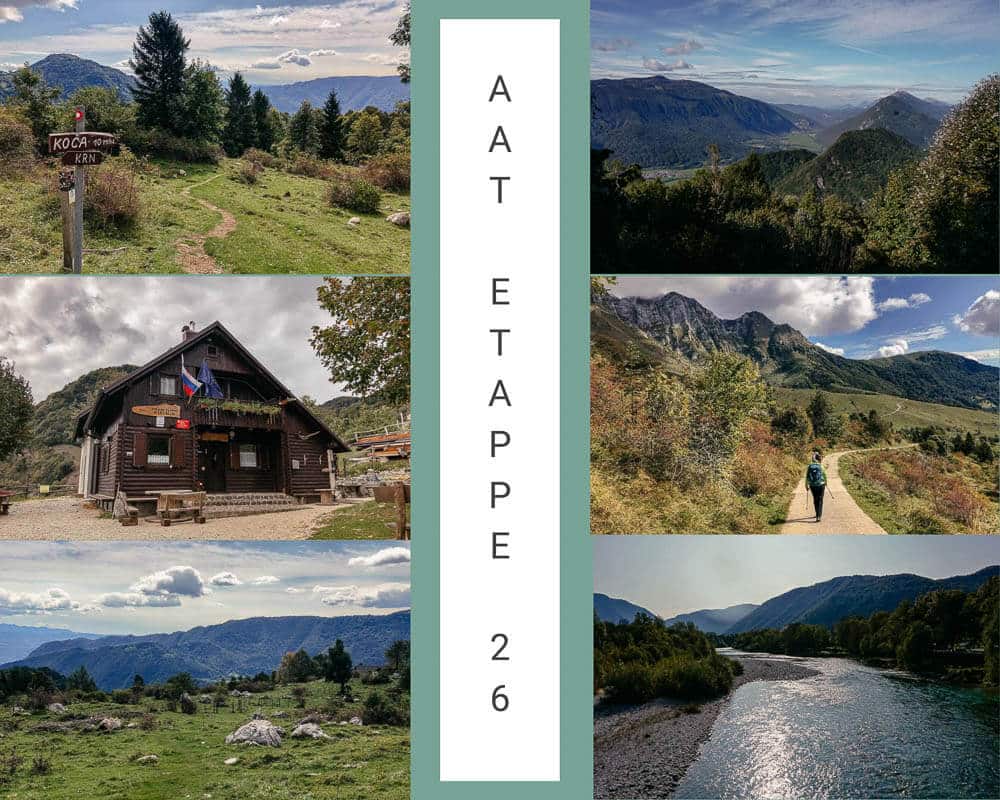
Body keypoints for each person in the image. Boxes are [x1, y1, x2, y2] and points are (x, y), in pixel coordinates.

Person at [805, 452, 828, 522]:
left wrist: (806, 485)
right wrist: (826, 482)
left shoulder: (809, 466)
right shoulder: (820, 466)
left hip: (812, 485)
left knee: (815, 499)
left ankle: (817, 514)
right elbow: (824, 475)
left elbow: (807, 477)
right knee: (820, 499)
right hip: (821, 484)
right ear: (819, 459)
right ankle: (819, 516)